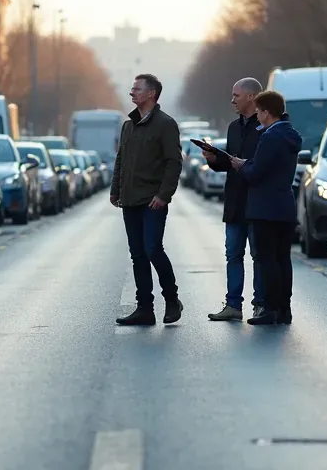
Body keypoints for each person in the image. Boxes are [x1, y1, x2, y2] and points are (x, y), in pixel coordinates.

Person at [111, 73, 185, 326]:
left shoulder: (165, 124)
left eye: (137, 89)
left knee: (153, 248)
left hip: (152, 200)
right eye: (132, 88)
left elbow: (173, 162)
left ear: (151, 93)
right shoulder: (128, 125)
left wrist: (164, 195)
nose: (132, 93)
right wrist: (115, 190)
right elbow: (121, 159)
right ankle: (145, 308)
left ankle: (172, 299)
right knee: (138, 254)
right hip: (130, 199)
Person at [230, 90, 302, 325]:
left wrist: (241, 166)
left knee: (266, 259)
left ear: (267, 112)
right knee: (282, 259)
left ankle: (270, 308)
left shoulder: (270, 137)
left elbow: (257, 172)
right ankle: (285, 309)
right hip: (284, 205)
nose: (257, 116)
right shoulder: (290, 134)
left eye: (259, 111)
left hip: (264, 207)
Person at [203, 78, 266, 322]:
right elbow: (230, 163)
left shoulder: (264, 127)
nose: (232, 100)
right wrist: (212, 159)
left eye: (236, 95)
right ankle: (233, 305)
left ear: (251, 97)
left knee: (258, 255)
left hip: (257, 201)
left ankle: (260, 303)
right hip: (235, 201)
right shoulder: (232, 127)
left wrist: (244, 165)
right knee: (233, 254)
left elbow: (262, 164)